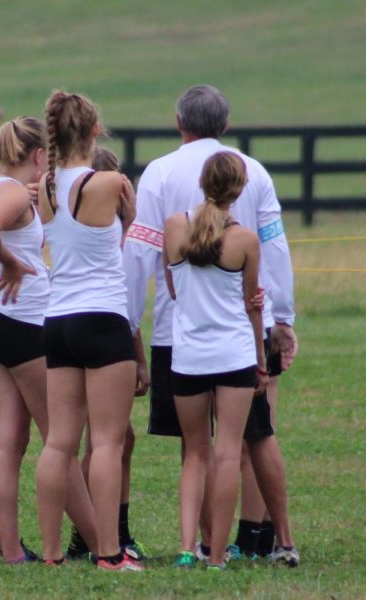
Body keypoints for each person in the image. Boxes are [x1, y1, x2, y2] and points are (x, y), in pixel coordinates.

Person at [123, 84, 300, 566]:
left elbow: (140, 252)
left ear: (179, 122)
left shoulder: (159, 172)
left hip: (178, 334)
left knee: (194, 448)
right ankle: (269, 538)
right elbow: (274, 248)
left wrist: (127, 321)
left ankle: (201, 545)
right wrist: (283, 319)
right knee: (255, 436)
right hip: (242, 333)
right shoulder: (254, 170)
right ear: (225, 124)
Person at [0, 117, 98, 564]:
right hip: (21, 323)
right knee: (59, 439)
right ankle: (102, 545)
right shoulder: (7, 192)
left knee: (9, 442)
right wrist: (8, 262)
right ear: (40, 156)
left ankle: (11, 552)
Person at [34, 91, 144, 571]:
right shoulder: (110, 182)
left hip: (56, 321)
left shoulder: (45, 186)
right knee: (107, 442)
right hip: (101, 320)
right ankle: (108, 553)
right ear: (95, 131)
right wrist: (132, 218)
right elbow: (117, 242)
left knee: (59, 442)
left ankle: (54, 554)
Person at [164, 151, 267, 569]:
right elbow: (252, 305)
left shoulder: (174, 226)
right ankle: (218, 555)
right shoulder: (245, 240)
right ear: (239, 190)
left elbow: (174, 288)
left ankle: (188, 549)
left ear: (203, 184)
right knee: (227, 454)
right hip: (234, 355)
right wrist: (261, 361)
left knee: (194, 453)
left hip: (188, 356)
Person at [65, 146, 148, 562]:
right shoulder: (112, 236)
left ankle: (103, 533)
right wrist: (141, 359)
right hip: (102, 333)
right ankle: (97, 537)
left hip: (64, 328)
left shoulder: (76, 222)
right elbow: (125, 304)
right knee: (105, 443)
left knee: (100, 440)